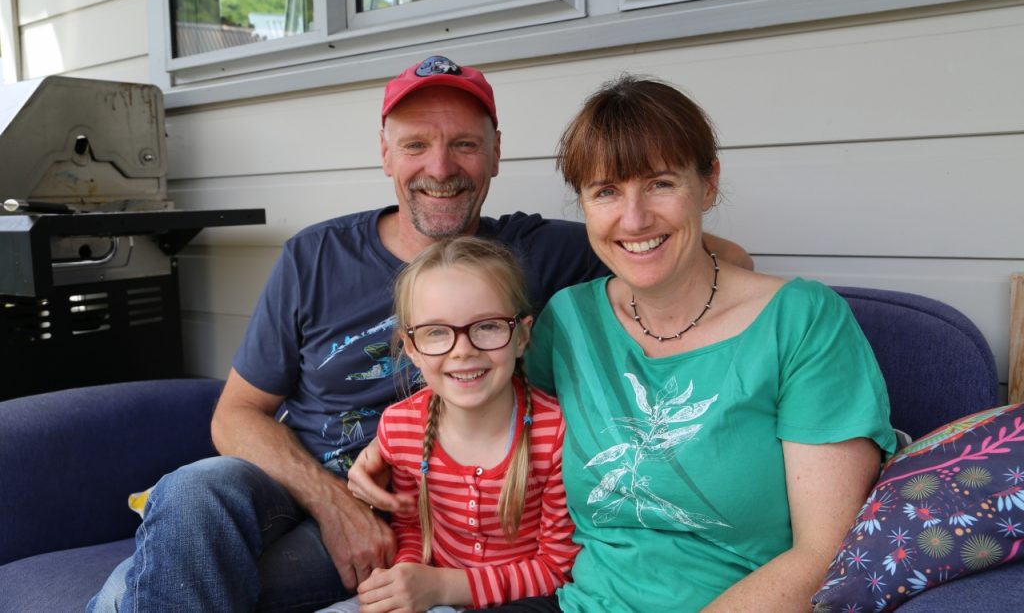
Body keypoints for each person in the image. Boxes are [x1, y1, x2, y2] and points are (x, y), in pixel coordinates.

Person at [88, 56, 750, 612]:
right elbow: (236, 415)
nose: (441, 166)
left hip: (416, 527)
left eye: (464, 142)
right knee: (193, 490)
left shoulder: (539, 251)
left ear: (495, 152)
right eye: (415, 144)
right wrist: (334, 506)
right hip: (300, 490)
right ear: (385, 154)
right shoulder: (314, 256)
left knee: (131, 592)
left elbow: (720, 258)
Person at [350, 75, 898, 612]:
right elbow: (485, 398)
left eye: (660, 182)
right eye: (606, 191)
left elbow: (826, 552)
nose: (633, 219)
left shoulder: (802, 322)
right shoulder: (569, 320)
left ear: (707, 184)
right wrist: (386, 451)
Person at [317, 236, 577, 613]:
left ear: (521, 335)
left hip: (522, 603)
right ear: (411, 348)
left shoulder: (554, 434)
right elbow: (411, 528)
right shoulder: (401, 428)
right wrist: (407, 575)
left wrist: (442, 587)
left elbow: (557, 567)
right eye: (436, 332)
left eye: (487, 326)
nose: (463, 349)